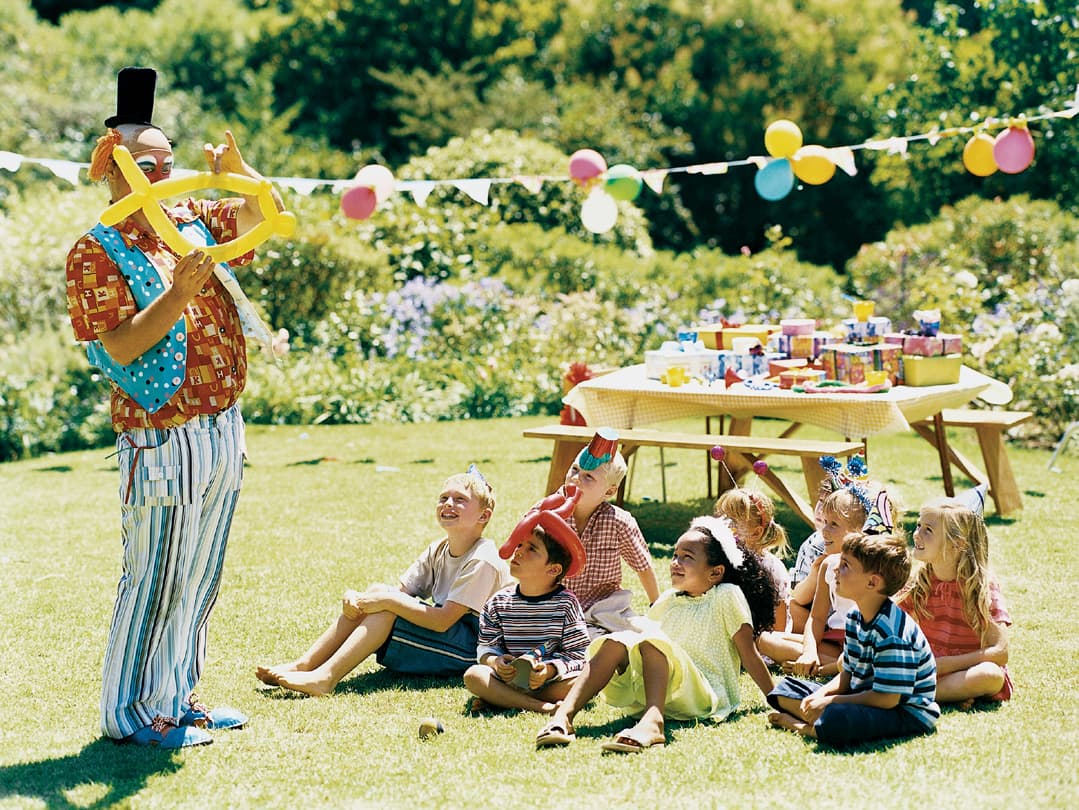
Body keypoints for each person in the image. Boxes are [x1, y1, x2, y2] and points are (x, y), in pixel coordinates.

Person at [66, 67, 286, 748]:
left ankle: (175, 699)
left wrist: (244, 178)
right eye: (151, 163)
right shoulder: (94, 253)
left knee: (199, 572)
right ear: (115, 168)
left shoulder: (185, 222)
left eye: (169, 160)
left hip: (222, 422)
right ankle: (129, 716)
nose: (167, 172)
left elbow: (253, 223)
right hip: (162, 434)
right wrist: (180, 295)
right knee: (154, 575)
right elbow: (122, 347)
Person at [257, 467, 512, 697]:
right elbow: (396, 592)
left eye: (460, 500)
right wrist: (357, 598)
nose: (448, 504)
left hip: (472, 651)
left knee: (388, 603)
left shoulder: (483, 559)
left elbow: (442, 620)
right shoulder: (438, 548)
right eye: (443, 498)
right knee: (379, 593)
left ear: (483, 516)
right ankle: (305, 665)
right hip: (449, 636)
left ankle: (325, 679)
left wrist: (387, 600)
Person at [534, 516, 777, 752]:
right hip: (668, 692)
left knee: (652, 642)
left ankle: (653, 724)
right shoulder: (669, 599)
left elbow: (749, 654)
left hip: (704, 696)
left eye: (687, 558)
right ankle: (563, 717)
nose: (675, 562)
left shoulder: (726, 595)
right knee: (613, 642)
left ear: (715, 573)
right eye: (675, 555)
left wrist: (777, 699)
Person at [766, 532, 940, 745]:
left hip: (903, 711)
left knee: (837, 717)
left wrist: (829, 702)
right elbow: (848, 673)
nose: (837, 569)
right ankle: (816, 717)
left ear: (872, 582)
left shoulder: (891, 634)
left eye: (846, 565)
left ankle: (801, 725)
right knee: (783, 691)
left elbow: (886, 699)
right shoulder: (854, 617)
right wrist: (821, 695)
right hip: (863, 695)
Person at [540, 429, 660, 637]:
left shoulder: (619, 522)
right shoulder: (547, 512)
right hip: (555, 601)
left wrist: (656, 607)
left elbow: (643, 567)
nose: (576, 479)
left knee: (644, 635)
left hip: (606, 605)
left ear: (609, 491)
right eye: (575, 470)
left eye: (588, 477)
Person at [463, 519, 590, 715]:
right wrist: (494, 662)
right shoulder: (498, 602)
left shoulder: (566, 604)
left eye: (532, 549)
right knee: (474, 675)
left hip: (550, 681)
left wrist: (550, 670)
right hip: (509, 679)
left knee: (586, 680)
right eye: (520, 544)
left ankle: (501, 698)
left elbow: (579, 654)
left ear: (554, 569)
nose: (518, 551)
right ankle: (539, 706)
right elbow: (486, 648)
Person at [898, 496, 1012, 706]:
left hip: (967, 670)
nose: (916, 534)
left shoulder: (981, 586)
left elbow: (1000, 652)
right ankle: (947, 694)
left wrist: (947, 664)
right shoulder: (919, 581)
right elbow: (891, 625)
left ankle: (913, 694)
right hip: (928, 667)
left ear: (956, 544)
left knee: (991, 675)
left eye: (928, 530)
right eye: (918, 525)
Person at [756, 486, 873, 673]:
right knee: (764, 640)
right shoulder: (828, 565)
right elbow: (816, 618)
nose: (824, 531)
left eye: (834, 524)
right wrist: (809, 652)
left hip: (863, 645)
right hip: (834, 642)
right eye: (825, 522)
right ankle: (826, 664)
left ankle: (827, 669)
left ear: (859, 530)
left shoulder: (873, 567)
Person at [713, 487, 790, 632]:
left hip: (761, 640)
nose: (723, 524)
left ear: (756, 532)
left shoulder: (771, 568)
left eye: (733, 520)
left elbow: (778, 626)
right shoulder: (716, 559)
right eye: (720, 516)